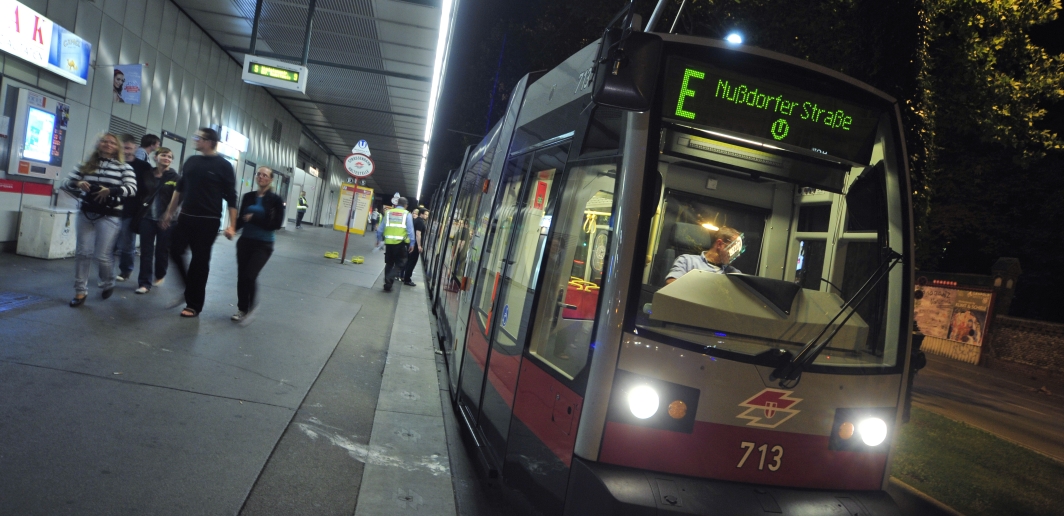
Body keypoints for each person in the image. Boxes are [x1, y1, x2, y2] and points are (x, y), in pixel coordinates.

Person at [160, 128, 238, 318]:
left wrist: (232, 225)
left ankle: (194, 304)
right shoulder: (191, 161)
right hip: (186, 217)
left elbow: (231, 197)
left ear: (209, 141)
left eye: (198, 138)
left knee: (199, 262)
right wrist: (169, 213)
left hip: (208, 221)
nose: (195, 140)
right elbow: (180, 189)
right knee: (175, 250)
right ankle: (189, 288)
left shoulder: (224, 165)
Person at [66, 133, 137, 307]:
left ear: (117, 147)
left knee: (102, 255)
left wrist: (111, 191)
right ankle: (80, 291)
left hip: (110, 215)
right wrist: (78, 184)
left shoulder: (124, 167)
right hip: (86, 213)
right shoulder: (85, 165)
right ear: (98, 144)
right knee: (83, 253)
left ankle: (108, 282)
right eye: (104, 141)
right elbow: (66, 182)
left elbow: (131, 189)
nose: (107, 144)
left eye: (112, 142)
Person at [232, 167, 286, 323]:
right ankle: (242, 309)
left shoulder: (275, 200)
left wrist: (253, 218)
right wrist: (232, 229)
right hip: (245, 241)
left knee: (250, 275)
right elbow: (242, 219)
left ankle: (252, 306)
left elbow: (275, 224)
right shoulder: (248, 197)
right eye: (259, 174)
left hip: (264, 244)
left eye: (265, 175)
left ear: (270, 179)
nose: (261, 177)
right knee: (242, 276)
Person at [133, 147, 180, 294]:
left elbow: (178, 198)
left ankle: (160, 274)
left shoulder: (175, 177)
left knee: (161, 251)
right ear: (156, 157)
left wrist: (169, 214)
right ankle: (144, 283)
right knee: (146, 251)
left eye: (170, 156)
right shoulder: (147, 174)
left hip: (167, 220)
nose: (167, 158)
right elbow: (140, 193)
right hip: (147, 218)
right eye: (164, 155)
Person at [113, 134, 154, 282]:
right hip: (113, 207)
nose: (126, 151)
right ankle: (108, 270)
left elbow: (148, 189)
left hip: (132, 209)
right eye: (123, 148)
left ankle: (126, 270)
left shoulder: (144, 167)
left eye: (129, 148)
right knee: (110, 242)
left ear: (135, 148)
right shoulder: (114, 164)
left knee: (127, 242)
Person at [664, 226, 743, 285]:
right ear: (719, 244)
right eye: (734, 249)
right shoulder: (687, 261)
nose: (737, 255)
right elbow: (671, 283)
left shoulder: (734, 274)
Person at [376, 197, 415, 292]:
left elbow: (381, 228)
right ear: (406, 205)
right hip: (400, 244)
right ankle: (390, 277)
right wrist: (412, 243)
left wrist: (379, 239)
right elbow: (410, 230)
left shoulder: (388, 212)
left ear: (397, 204)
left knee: (389, 263)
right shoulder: (407, 214)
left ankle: (387, 284)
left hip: (388, 243)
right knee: (401, 262)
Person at [401, 208, 428, 286]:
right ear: (421, 214)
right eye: (425, 214)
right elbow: (418, 234)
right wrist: (419, 245)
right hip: (415, 245)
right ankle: (407, 279)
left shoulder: (415, 220)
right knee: (412, 262)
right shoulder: (420, 221)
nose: (426, 216)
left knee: (409, 261)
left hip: (411, 243)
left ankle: (405, 277)